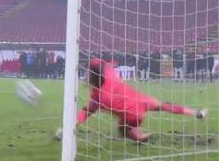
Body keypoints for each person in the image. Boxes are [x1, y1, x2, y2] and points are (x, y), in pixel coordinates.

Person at [77, 58, 207, 143]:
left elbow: (85, 112)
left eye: (88, 73)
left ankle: (140, 136)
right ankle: (197, 113)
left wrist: (70, 125)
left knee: (122, 129)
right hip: (141, 101)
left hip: (132, 116)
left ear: (93, 76)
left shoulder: (97, 96)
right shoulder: (110, 75)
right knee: (164, 106)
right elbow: (101, 64)